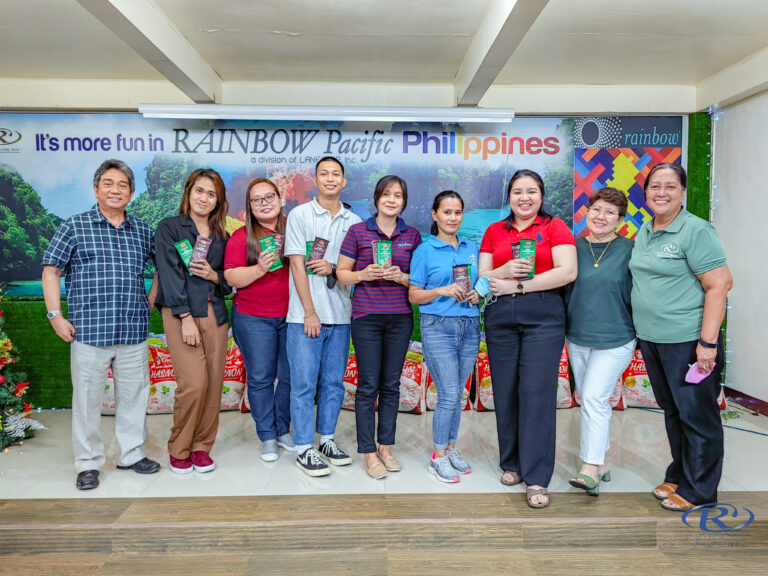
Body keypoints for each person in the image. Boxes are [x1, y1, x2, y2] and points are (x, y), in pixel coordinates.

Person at [42, 159, 160, 490]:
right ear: (96, 189)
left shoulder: (143, 230)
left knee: (135, 400)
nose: (115, 190)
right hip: (88, 333)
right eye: (108, 183)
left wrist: (150, 301)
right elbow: (51, 269)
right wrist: (55, 316)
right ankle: (88, 463)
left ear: (132, 193)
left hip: (133, 332)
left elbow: (164, 266)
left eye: (123, 185)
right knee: (87, 403)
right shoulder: (74, 226)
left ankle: (132, 455)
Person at [629, 163, 732, 511]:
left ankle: (700, 491)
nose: (661, 193)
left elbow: (720, 284)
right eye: (655, 186)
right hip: (653, 339)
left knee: (697, 416)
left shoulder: (695, 230)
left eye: (670, 186)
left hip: (687, 340)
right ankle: (679, 474)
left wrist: (707, 344)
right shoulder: (645, 229)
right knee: (673, 411)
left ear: (683, 192)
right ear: (645, 193)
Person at [478, 169, 577, 508]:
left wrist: (518, 286)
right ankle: (512, 463)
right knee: (505, 391)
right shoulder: (494, 230)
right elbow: (482, 277)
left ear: (541, 196)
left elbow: (567, 272)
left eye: (531, 191)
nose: (525, 197)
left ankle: (536, 476)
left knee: (536, 393)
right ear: (508, 197)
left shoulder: (555, 227)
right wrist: (503, 274)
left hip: (543, 318)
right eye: (518, 191)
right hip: (500, 318)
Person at [337, 175, 422, 479]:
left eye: (398, 195)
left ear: (403, 202)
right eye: (386, 194)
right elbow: (341, 274)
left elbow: (420, 280)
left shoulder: (411, 235)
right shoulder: (358, 231)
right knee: (368, 386)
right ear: (376, 198)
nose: (391, 200)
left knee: (391, 385)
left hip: (400, 318)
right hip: (367, 318)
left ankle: (386, 446)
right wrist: (364, 274)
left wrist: (403, 277)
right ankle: (368, 451)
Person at [284, 156, 363, 477]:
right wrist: (310, 312)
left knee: (333, 384)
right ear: (314, 181)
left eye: (336, 175)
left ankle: (327, 439)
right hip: (304, 317)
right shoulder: (300, 215)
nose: (330, 179)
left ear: (344, 182)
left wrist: (334, 268)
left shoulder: (354, 221)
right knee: (303, 385)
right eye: (323, 174)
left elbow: (356, 270)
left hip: (341, 316)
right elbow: (296, 265)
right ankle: (304, 446)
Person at [154, 168, 231, 474]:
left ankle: (201, 446)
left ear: (218, 201)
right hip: (179, 312)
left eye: (211, 194)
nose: (204, 198)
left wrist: (217, 276)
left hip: (215, 312)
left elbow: (228, 281)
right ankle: (179, 447)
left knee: (213, 384)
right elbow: (169, 274)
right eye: (199, 191)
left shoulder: (222, 236)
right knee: (194, 383)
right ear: (188, 193)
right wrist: (184, 316)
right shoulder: (170, 228)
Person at [565, 187, 635, 496]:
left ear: (620, 220)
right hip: (577, 336)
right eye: (596, 209)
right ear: (587, 211)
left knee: (593, 398)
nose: (601, 216)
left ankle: (589, 466)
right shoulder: (572, 247)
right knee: (591, 398)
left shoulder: (632, 249)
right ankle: (603, 462)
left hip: (616, 337)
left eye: (610, 212)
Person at [409, 191, 480, 484]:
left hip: (470, 325)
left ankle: (451, 448)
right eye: (447, 212)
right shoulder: (424, 251)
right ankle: (437, 456)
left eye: (458, 212)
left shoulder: (470, 248)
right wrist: (442, 290)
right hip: (438, 325)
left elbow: (480, 283)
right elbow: (413, 295)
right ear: (435, 215)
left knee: (458, 394)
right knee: (449, 394)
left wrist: (478, 294)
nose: (453, 218)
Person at [224, 178, 296, 462]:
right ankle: (267, 435)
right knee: (261, 378)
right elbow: (231, 277)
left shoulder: (295, 229)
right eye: (257, 199)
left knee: (291, 377)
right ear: (249, 207)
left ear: (281, 200)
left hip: (292, 318)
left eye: (270, 197)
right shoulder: (241, 237)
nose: (264, 203)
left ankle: (283, 429)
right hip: (253, 318)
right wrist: (260, 268)